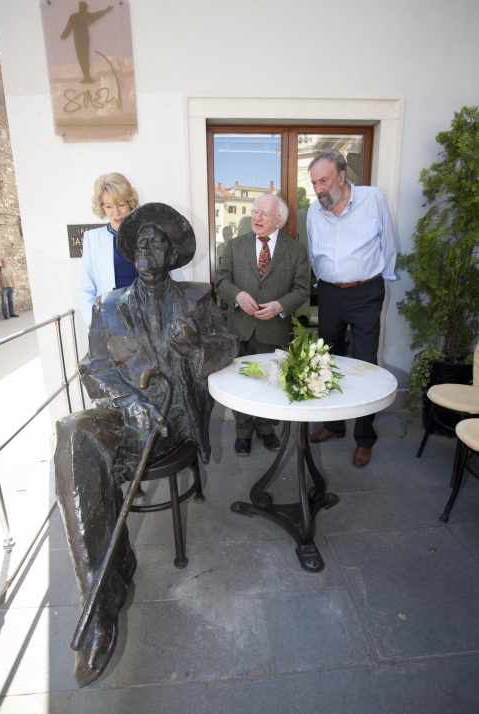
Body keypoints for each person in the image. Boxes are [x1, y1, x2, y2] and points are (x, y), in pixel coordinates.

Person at [54, 203, 238, 687]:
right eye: (140, 242)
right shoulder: (109, 305)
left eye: (157, 242)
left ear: (173, 253)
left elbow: (229, 346)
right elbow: (94, 367)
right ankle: (99, 604)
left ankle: (111, 581)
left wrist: (195, 346)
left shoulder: (196, 297)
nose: (147, 249)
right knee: (73, 433)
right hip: (128, 416)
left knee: (87, 454)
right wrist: (129, 401)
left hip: (176, 420)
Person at [306, 151, 397, 467]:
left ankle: (364, 437)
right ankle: (334, 426)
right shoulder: (314, 210)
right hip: (329, 293)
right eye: (314, 182)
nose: (319, 189)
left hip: (365, 293)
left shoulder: (373, 199)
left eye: (324, 180)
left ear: (343, 176)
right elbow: (312, 251)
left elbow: (389, 243)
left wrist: (382, 281)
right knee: (326, 359)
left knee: (364, 364)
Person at [215, 193, 310, 456]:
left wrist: (280, 306)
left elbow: (302, 289)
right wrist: (237, 296)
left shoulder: (296, 250)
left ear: (279, 220)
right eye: (254, 211)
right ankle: (243, 433)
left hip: (274, 330)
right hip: (240, 329)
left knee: (270, 381)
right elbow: (220, 280)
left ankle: (266, 429)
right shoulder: (234, 246)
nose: (256, 217)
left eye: (263, 214)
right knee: (242, 381)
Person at [81, 172, 139, 325]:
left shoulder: (144, 236)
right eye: (109, 206)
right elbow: (86, 289)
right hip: (108, 321)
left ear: (130, 203)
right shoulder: (92, 239)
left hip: (141, 319)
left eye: (121, 205)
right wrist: (94, 324)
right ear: (102, 207)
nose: (116, 213)